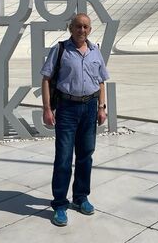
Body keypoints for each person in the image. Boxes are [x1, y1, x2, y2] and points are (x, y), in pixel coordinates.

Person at [41, 13, 109, 227]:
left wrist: (101, 108)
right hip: (67, 108)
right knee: (63, 157)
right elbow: (46, 78)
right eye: (78, 26)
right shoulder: (60, 49)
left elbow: (101, 81)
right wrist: (46, 109)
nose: (82, 30)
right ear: (71, 28)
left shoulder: (95, 50)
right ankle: (60, 204)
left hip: (89, 107)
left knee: (85, 155)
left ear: (90, 30)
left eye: (86, 27)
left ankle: (81, 197)